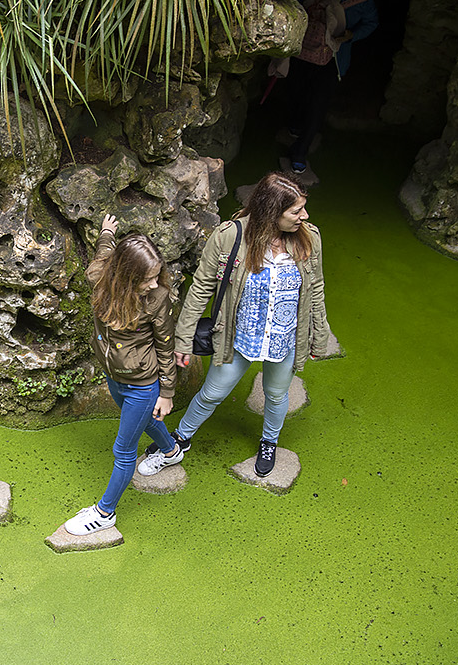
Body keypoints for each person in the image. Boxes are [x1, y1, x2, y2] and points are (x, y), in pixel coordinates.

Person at [138, 173, 329, 479]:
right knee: (213, 392)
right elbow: (201, 287)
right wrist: (184, 338)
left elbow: (315, 288)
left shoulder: (310, 237)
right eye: (296, 211)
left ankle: (269, 441)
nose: (304, 216)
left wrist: (319, 337)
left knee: (277, 394)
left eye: (303, 209)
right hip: (238, 335)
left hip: (283, 336)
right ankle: (181, 437)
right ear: (271, 211)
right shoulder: (230, 236)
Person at [63, 215, 181, 535]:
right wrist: (106, 233)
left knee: (123, 449)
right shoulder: (100, 278)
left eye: (157, 276)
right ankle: (171, 451)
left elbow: (166, 348)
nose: (154, 284)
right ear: (125, 276)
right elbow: (104, 254)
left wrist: (166, 393)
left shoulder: (156, 299)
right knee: (145, 420)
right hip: (114, 374)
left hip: (143, 382)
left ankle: (104, 514)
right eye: (147, 278)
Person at [284, 0, 379, 175]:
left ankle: (300, 152)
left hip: (332, 58)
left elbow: (372, 22)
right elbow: (294, 1)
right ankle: (295, 124)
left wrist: (351, 35)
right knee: (296, 91)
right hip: (302, 50)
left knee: (318, 103)